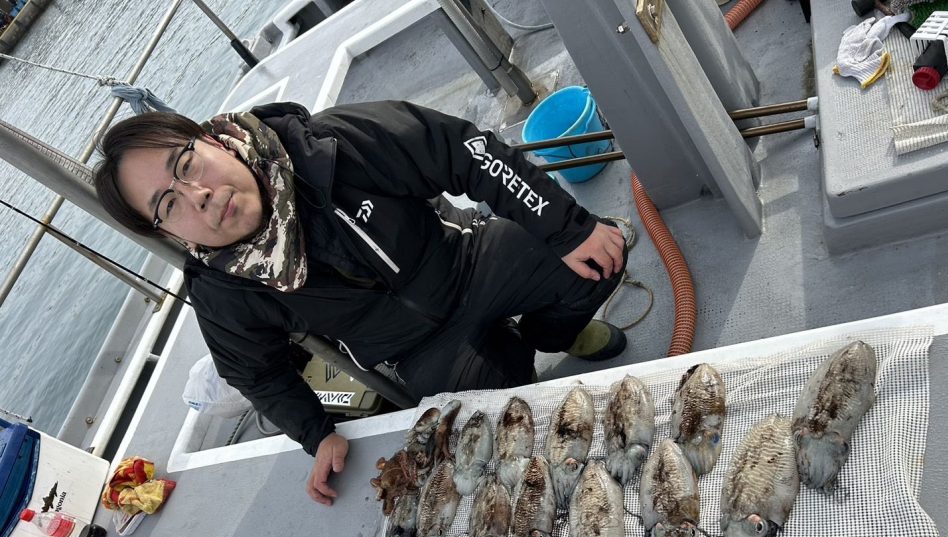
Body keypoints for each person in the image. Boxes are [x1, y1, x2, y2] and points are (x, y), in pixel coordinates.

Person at [94, 100, 627, 505]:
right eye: (168, 204)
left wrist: (566, 227)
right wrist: (316, 433)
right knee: (498, 434)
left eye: (185, 165)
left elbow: (460, 150)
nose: (198, 195)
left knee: (598, 256)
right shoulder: (220, 286)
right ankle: (509, 351)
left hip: (468, 259)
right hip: (414, 350)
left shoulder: (325, 144)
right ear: (164, 231)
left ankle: (551, 333)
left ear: (213, 141)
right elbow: (255, 373)